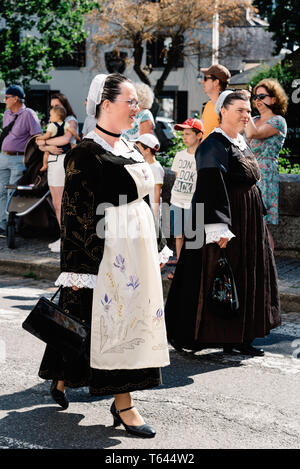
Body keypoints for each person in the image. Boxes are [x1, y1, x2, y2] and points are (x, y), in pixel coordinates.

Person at [38, 73, 171, 438]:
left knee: (104, 325)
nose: (136, 108)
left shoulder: (129, 146)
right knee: (108, 327)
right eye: (130, 101)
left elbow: (145, 201)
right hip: (108, 256)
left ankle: (63, 378)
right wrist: (80, 271)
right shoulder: (85, 153)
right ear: (106, 104)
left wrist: (157, 244)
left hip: (136, 253)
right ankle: (124, 403)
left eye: (137, 102)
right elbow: (76, 215)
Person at [165, 91, 281, 357]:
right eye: (240, 110)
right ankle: (196, 335)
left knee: (246, 275)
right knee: (213, 275)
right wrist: (218, 226)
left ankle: (241, 336)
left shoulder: (239, 141)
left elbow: (250, 178)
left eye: (248, 111)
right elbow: (210, 185)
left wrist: (258, 213)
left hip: (247, 220)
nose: (245, 115)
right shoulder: (213, 144)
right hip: (223, 220)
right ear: (224, 112)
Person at [245, 78, 288, 250]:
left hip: (265, 174)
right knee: (250, 223)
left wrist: (245, 110)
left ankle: (268, 266)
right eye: (255, 96)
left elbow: (253, 134)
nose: (257, 100)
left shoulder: (278, 121)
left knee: (261, 223)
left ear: (274, 99)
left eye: (262, 96)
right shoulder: (254, 119)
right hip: (250, 173)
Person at [37, 93, 78, 252]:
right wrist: (46, 146)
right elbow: (41, 146)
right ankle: (64, 237)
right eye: (52, 106)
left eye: (56, 106)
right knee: (57, 202)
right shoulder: (54, 123)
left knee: (62, 202)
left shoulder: (70, 121)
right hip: (54, 162)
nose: (53, 109)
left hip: (63, 161)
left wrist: (44, 142)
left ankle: (67, 239)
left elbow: (64, 140)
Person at [0, 84, 42, 237]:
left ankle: (13, 225)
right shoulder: (6, 114)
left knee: (13, 193)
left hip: (18, 159)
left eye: (6, 97)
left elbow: (37, 136)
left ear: (15, 98)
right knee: (1, 192)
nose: (4, 100)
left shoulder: (29, 114)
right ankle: (2, 225)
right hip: (3, 156)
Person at [168, 118, 204, 278]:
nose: (184, 137)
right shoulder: (179, 155)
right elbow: (176, 177)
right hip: (177, 200)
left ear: (199, 135)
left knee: (194, 237)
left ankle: (193, 269)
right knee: (178, 235)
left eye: (188, 134)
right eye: (183, 134)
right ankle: (180, 267)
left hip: (193, 203)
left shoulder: (202, 156)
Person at [36, 105, 80, 172]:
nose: (50, 117)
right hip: (64, 147)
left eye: (51, 115)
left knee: (46, 153)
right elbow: (72, 130)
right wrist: (77, 136)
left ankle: (45, 165)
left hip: (55, 145)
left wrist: (40, 137)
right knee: (72, 146)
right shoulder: (65, 124)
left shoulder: (51, 125)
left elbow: (47, 136)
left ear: (57, 116)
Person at [134, 133, 164, 222]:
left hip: (151, 210)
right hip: (142, 208)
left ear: (147, 150)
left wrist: (155, 215)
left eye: (138, 148)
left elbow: (157, 192)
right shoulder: (142, 164)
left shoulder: (157, 168)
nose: (135, 150)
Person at [201, 64, 231, 140]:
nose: (202, 81)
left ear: (216, 82)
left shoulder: (227, 107)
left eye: (205, 78)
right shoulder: (208, 105)